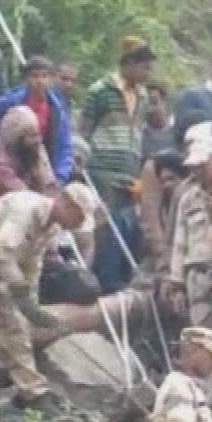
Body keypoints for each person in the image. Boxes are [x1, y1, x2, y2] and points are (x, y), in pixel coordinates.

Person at [0, 181, 97, 416]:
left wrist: (31, 305)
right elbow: (2, 251)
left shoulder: (51, 228)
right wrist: (20, 290)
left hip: (4, 274)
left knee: (17, 331)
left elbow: (32, 264)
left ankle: (32, 392)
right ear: (67, 204)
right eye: (78, 218)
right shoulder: (26, 209)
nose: (78, 225)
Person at [79, 36, 154, 286]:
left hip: (129, 172)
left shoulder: (143, 97)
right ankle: (102, 282)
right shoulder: (101, 91)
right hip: (103, 170)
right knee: (105, 229)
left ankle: (119, 281)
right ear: (129, 63)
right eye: (144, 66)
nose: (147, 72)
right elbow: (84, 130)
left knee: (127, 228)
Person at [166, 129, 212, 346]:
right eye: (195, 167)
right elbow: (179, 242)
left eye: (203, 165)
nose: (198, 172)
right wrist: (177, 284)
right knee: (202, 340)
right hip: (198, 276)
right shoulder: (188, 198)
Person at [0, 54, 73, 182]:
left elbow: (64, 147)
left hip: (43, 167)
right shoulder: (8, 102)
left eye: (44, 76)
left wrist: (60, 177)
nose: (40, 81)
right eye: (35, 76)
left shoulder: (57, 110)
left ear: (51, 79)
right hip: (8, 164)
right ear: (26, 79)